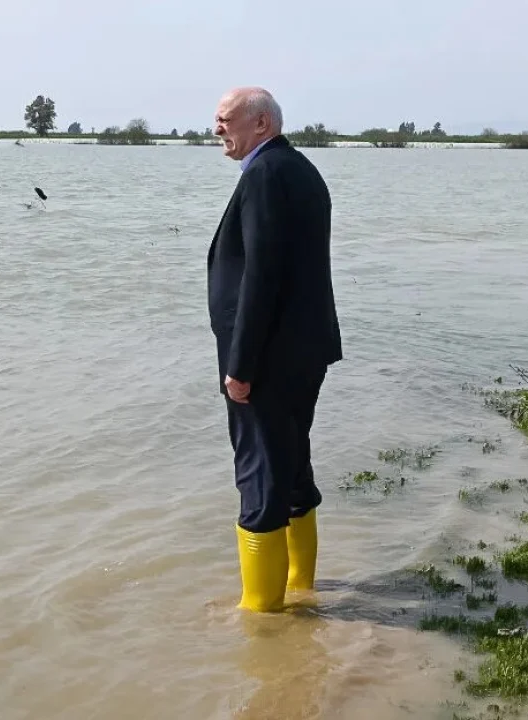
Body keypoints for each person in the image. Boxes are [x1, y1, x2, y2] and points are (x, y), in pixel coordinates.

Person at [207, 87, 342, 612]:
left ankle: (260, 616)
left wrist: (240, 367)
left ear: (260, 123)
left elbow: (260, 278)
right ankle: (302, 588)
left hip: (267, 359)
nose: (217, 128)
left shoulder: (265, 175)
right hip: (302, 352)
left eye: (225, 119)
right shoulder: (299, 168)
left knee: (260, 475)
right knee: (291, 468)